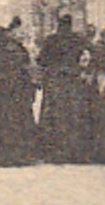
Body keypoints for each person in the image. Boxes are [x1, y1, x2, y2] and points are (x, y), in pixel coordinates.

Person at [0, 24, 40, 166]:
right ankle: (23, 154)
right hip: (18, 96)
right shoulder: (19, 51)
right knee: (18, 124)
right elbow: (28, 71)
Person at [37, 14, 90, 163]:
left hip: (54, 80)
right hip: (73, 79)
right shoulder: (77, 39)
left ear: (58, 24)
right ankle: (74, 151)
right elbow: (89, 54)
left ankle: (53, 151)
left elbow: (41, 60)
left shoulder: (51, 40)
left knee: (52, 114)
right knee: (74, 114)